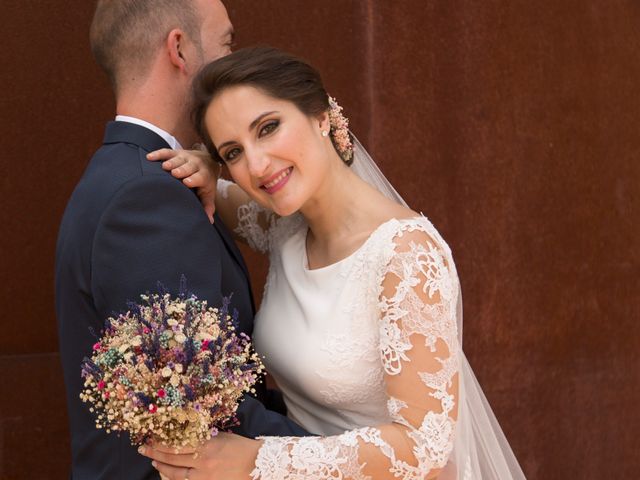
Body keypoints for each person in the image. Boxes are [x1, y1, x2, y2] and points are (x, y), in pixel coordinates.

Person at [139, 47, 527, 479]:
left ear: (321, 116)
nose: (257, 165)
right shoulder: (284, 226)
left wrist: (254, 460)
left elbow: (424, 446)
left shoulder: (407, 256)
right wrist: (206, 164)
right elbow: (226, 195)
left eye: (268, 128)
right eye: (234, 152)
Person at [55, 4, 308, 479]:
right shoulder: (145, 197)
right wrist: (360, 460)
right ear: (179, 49)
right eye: (226, 43)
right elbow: (201, 408)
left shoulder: (126, 177)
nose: (232, 59)